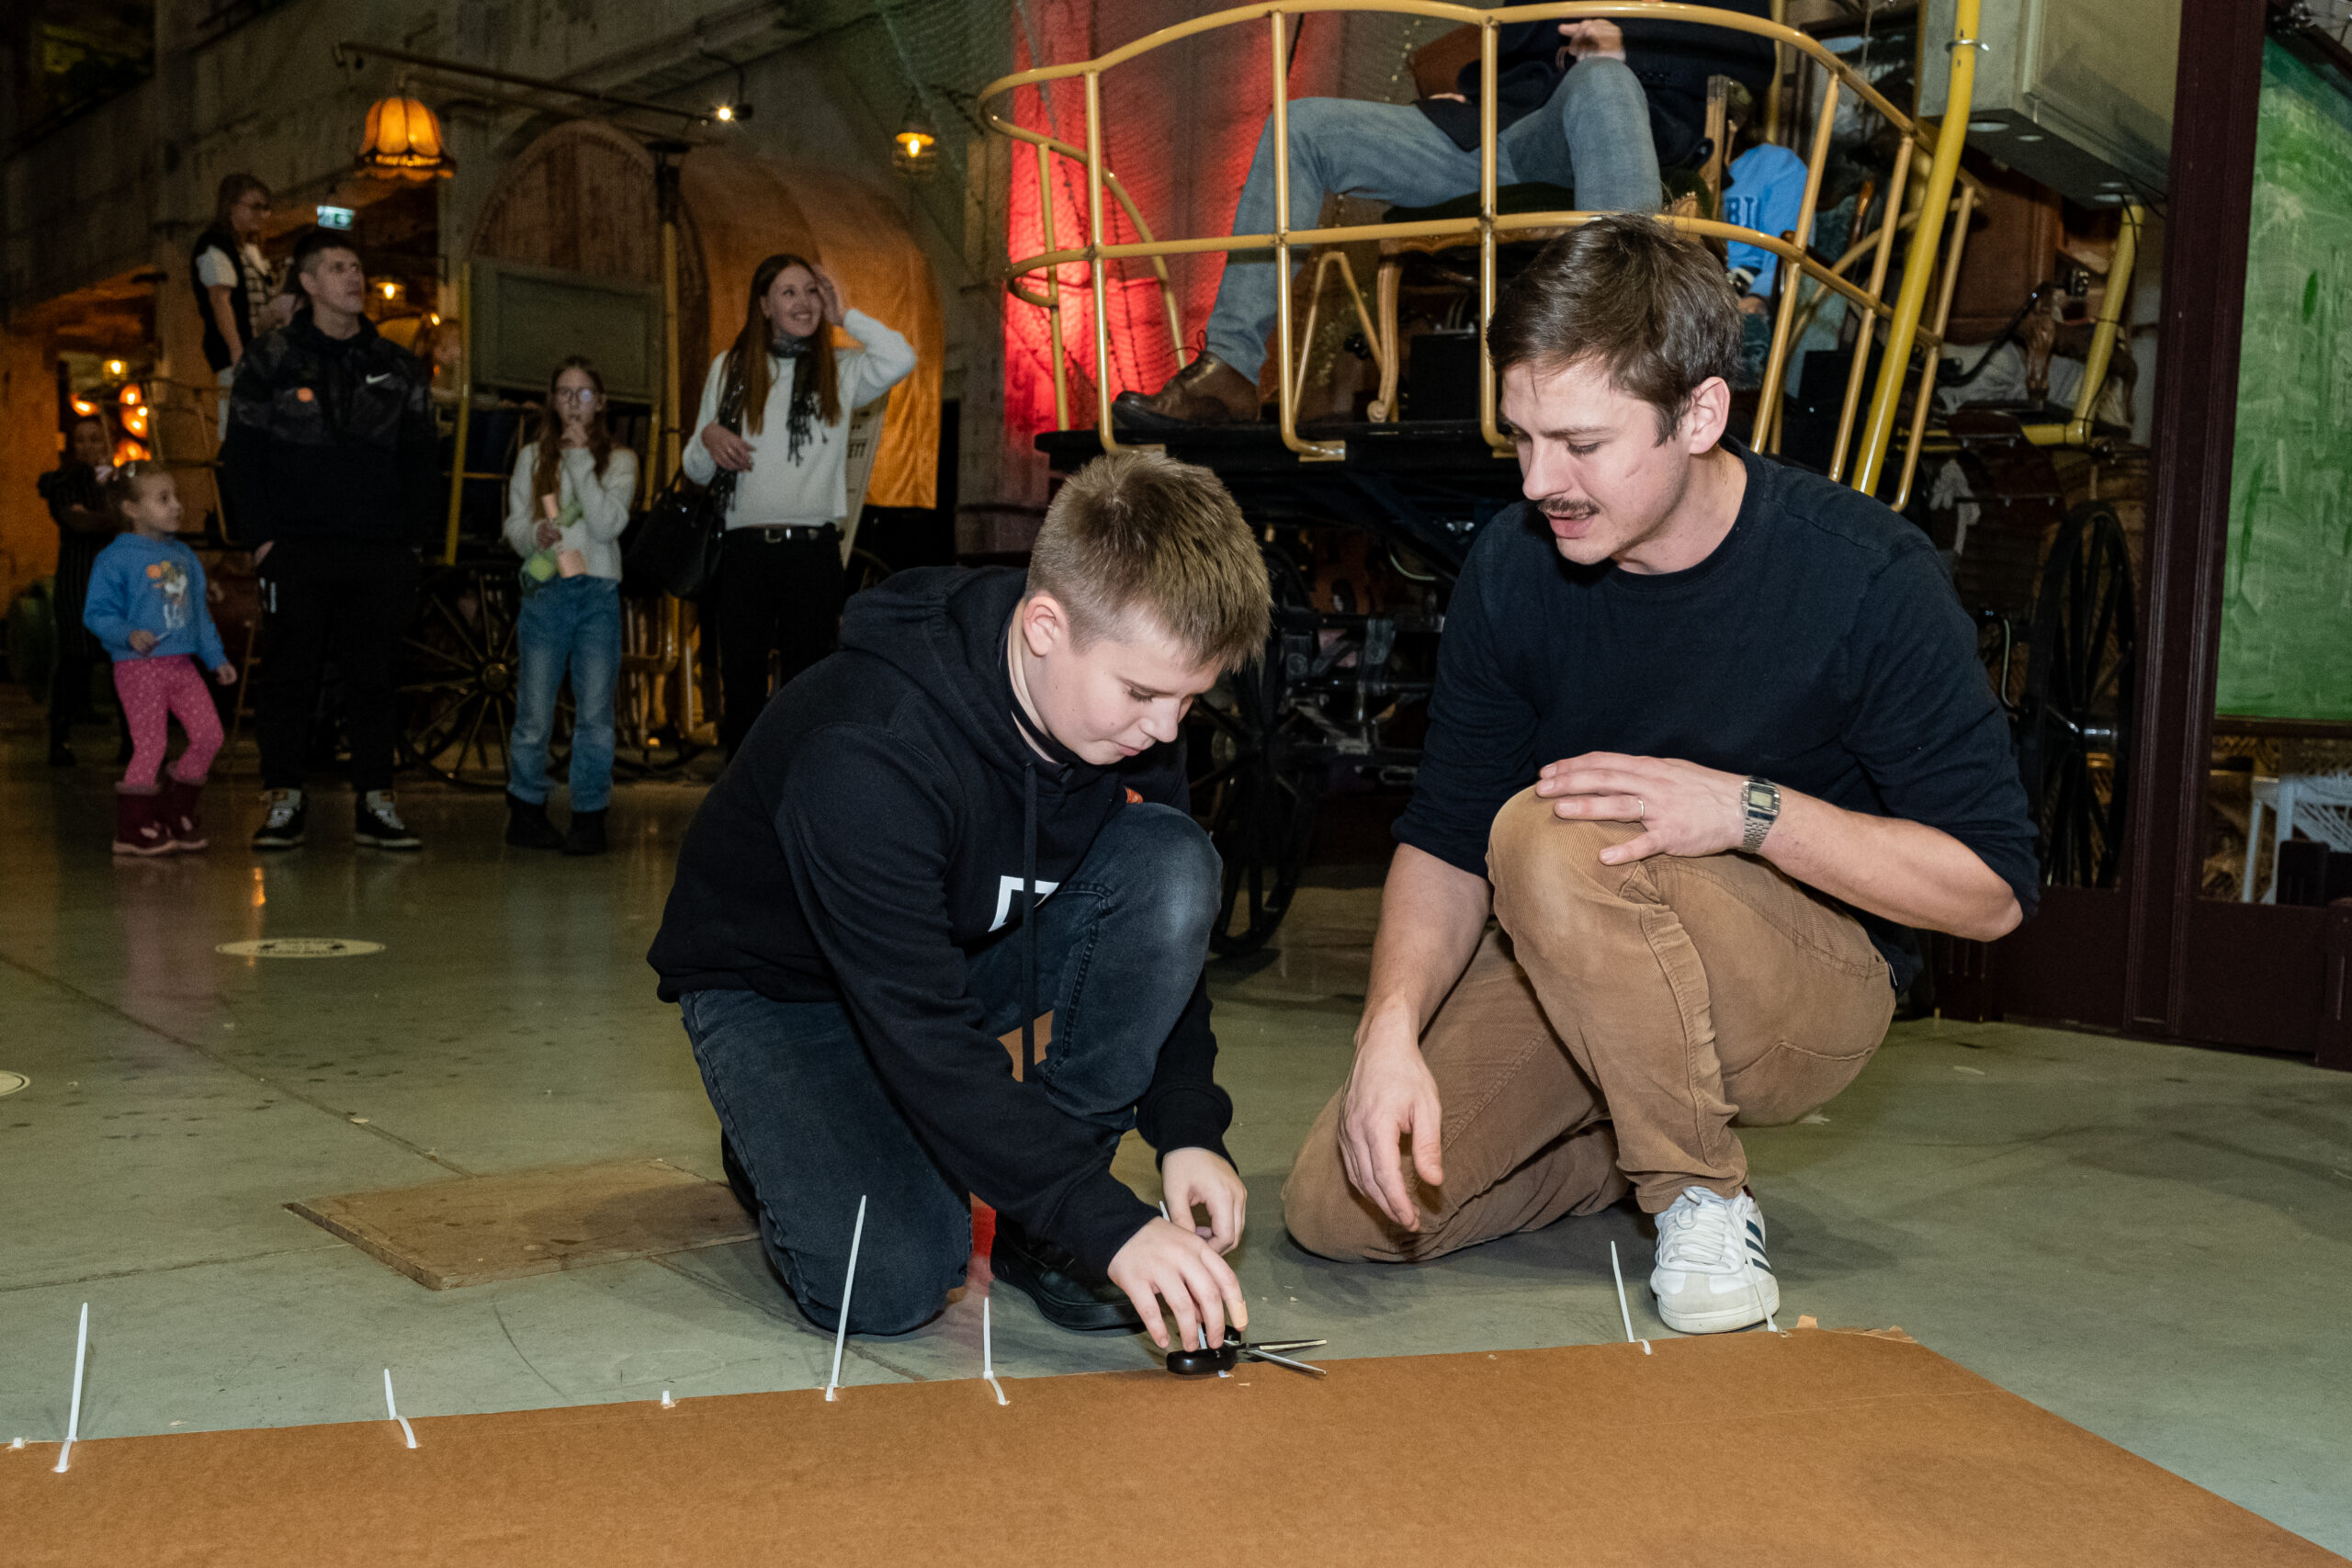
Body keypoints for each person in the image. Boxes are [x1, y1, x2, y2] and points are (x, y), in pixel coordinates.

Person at [1281, 217, 2038, 1334]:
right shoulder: (1512, 569)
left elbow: (1991, 894)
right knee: (1343, 1211)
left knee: (1554, 827)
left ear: (1699, 415)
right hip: (1590, 954)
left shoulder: (1863, 577)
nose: (1540, 481)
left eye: (1581, 443)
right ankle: (1627, 1141)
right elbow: (1442, 839)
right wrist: (1384, 1033)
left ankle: (1697, 1195)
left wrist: (1744, 812)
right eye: (1520, 437)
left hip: (1806, 994)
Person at [648, 451, 1271, 1354]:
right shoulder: (869, 749)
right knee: (895, 1277)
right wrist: (1108, 1222)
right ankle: (777, 1132)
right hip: (781, 991)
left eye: (1189, 699)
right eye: (1142, 693)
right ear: (1045, 626)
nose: (1164, 729)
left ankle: (1041, 1220)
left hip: (963, 943)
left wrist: (1188, 1127)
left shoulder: (1137, 719)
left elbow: (1165, 929)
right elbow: (923, 1032)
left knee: (1173, 861)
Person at [1114, 8, 1774, 429]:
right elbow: (1516, 40)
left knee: (1603, 80)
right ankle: (1229, 372)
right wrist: (1472, 86)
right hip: (1504, 127)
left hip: (1622, 121)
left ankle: (1626, 375)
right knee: (1302, 128)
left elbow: (1757, 49)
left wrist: (1633, 50)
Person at [223, 228, 437, 853]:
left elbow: (423, 458)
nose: (354, 277)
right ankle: (284, 799)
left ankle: (377, 800)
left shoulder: (398, 365)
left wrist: (412, 543)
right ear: (309, 282)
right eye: (339, 267)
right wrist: (261, 540)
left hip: (379, 549)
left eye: (357, 267)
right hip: (296, 547)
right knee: (290, 676)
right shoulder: (271, 359)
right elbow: (242, 455)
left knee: (375, 678)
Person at [683, 253, 916, 757]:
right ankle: (745, 793)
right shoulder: (730, 368)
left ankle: (798, 790)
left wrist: (844, 315)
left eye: (811, 291)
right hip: (743, 552)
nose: (803, 302)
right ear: (764, 305)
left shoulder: (842, 370)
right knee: (742, 688)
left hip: (812, 552)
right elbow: (696, 471)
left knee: (808, 688)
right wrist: (708, 437)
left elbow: (901, 357)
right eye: (788, 292)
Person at [502, 357, 638, 856]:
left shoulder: (621, 461)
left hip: (596, 592)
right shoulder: (531, 457)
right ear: (552, 401)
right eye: (564, 393)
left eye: (584, 394)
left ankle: (589, 815)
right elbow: (514, 523)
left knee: (595, 712)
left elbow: (606, 525)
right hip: (548, 589)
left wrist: (580, 460)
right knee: (534, 709)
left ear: (600, 403)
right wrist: (532, 533)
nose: (574, 403)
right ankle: (526, 810)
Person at [80, 462, 237, 855]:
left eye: (176, 496)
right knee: (151, 744)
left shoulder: (184, 556)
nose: (177, 505)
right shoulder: (115, 558)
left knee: (209, 736)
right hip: (138, 668)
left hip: (182, 666)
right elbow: (96, 613)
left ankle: (174, 811)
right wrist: (127, 634)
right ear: (131, 509)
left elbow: (198, 615)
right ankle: (132, 828)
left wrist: (216, 657)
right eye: (163, 499)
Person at [36, 414, 119, 768]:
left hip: (115, 582)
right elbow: (77, 521)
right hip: (78, 579)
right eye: (81, 439)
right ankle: (59, 739)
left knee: (123, 659)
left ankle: (134, 743)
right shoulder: (65, 481)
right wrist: (117, 519)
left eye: (95, 439)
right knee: (76, 656)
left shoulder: (118, 481)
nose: (87, 447)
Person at [191, 175, 276, 444]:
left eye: (265, 208)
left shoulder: (249, 251)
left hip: (260, 353)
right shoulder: (215, 245)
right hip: (241, 354)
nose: (261, 215)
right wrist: (236, 351)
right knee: (240, 426)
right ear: (231, 206)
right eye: (255, 207)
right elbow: (220, 300)